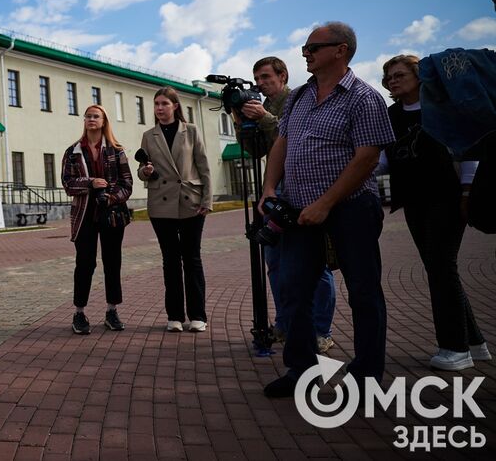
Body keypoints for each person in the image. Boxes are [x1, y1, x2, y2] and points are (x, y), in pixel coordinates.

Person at [261, 22, 394, 398]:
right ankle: (300, 370)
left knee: (364, 292)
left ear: (341, 50)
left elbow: (367, 158)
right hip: (299, 210)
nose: (305, 53)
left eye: (312, 47)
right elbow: (281, 144)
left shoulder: (363, 98)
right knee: (293, 289)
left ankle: (367, 377)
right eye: (304, 48)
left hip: (351, 208)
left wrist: (326, 203)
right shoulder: (300, 97)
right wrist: (270, 188)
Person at [379, 54, 489, 370]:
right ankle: (474, 342)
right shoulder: (391, 115)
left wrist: (468, 192)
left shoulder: (442, 108)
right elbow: (384, 159)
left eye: (399, 75)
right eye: (388, 78)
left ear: (419, 76)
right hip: (413, 200)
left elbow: (469, 150)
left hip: (447, 197)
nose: (393, 81)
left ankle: (455, 349)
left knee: (442, 265)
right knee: (437, 267)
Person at [236, 57, 337, 353]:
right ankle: (285, 322)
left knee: (314, 263)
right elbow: (257, 152)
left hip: (303, 187)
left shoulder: (299, 99)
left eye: (266, 77)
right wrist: (241, 121)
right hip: (274, 189)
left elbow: (296, 136)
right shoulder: (260, 106)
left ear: (282, 76)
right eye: (257, 78)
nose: (260, 83)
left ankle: (321, 330)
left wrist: (265, 117)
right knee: (276, 261)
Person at [137, 87, 212, 332]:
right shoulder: (149, 135)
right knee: (170, 260)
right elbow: (143, 170)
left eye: (164, 104)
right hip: (161, 204)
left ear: (175, 106)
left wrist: (207, 201)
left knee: (192, 259)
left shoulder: (190, 131)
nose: (159, 108)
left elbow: (204, 166)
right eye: (156, 104)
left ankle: (198, 315)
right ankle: (175, 316)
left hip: (191, 201)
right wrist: (145, 172)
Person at [61, 104, 133, 334]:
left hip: (111, 215)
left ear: (104, 121)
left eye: (96, 116)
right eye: (88, 116)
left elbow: (127, 183)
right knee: (85, 264)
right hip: (84, 216)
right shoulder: (73, 151)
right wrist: (90, 182)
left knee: (112, 262)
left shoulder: (116, 150)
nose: (91, 119)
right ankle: (79, 313)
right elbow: (67, 183)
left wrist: (112, 198)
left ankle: (112, 311)